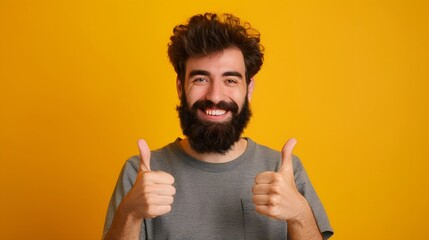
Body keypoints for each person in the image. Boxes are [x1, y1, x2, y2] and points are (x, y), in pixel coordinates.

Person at [102, 13, 333, 240]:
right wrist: (129, 213)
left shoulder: (285, 171)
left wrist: (300, 214)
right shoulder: (140, 174)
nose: (215, 96)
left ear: (249, 89)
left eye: (230, 80)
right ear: (181, 87)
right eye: (201, 79)